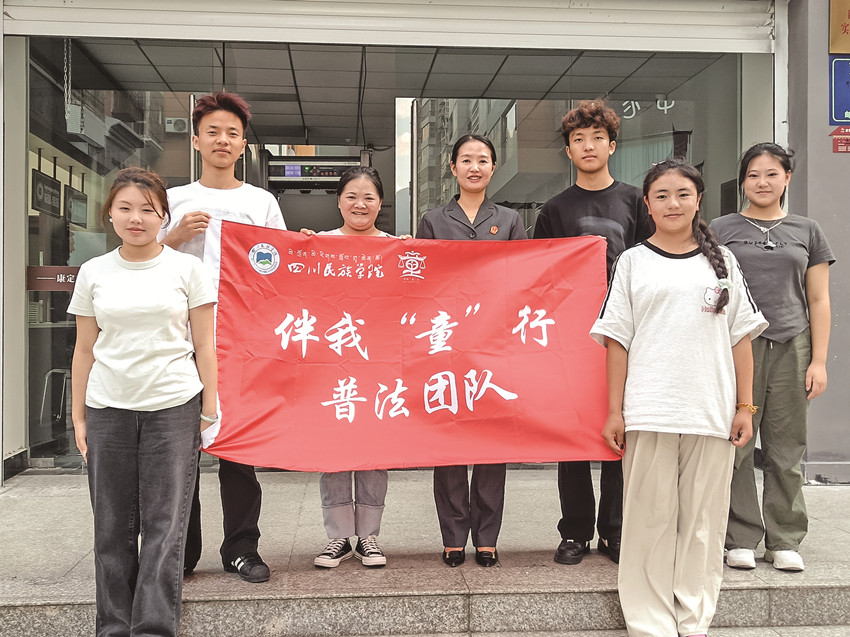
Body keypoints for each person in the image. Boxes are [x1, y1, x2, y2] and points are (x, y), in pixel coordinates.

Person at [592, 159, 766, 637]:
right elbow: (617, 340)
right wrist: (614, 411)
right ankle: (650, 622)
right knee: (648, 521)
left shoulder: (724, 261)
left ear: (698, 200)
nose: (673, 203)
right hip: (649, 409)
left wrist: (745, 406)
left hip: (710, 410)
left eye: (683, 194)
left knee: (702, 523)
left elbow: (741, 338)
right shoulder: (632, 262)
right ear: (647, 205)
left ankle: (693, 618)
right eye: (662, 195)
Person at [69, 167, 217, 637]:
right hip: (108, 407)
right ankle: (114, 626)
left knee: (164, 524)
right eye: (125, 208)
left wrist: (210, 408)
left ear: (163, 217)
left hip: (173, 405)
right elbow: (84, 349)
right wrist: (78, 416)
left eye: (148, 210)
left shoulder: (187, 269)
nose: (136, 218)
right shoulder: (94, 272)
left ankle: (153, 627)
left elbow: (205, 344)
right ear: (110, 214)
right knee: (111, 527)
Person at [159, 91, 287, 583]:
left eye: (232, 133)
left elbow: (279, 265)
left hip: (241, 340)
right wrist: (172, 238)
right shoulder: (172, 200)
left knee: (238, 449)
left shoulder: (260, 202)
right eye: (212, 131)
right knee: (181, 448)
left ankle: (241, 548)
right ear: (195, 141)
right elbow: (141, 258)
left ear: (242, 145)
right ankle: (181, 552)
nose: (222, 140)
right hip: (180, 339)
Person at [533, 99, 651, 566]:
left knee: (620, 430)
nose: (588, 146)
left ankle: (615, 531)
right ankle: (576, 531)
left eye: (597, 138)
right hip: (571, 335)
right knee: (574, 437)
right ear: (568, 151)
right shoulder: (554, 209)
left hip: (625, 333)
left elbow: (650, 263)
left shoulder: (635, 202)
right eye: (578, 139)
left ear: (612, 145)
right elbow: (539, 274)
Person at [711, 143, 834, 572]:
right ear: (742, 181)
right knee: (738, 444)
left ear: (787, 178)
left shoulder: (808, 230)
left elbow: (818, 299)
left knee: (786, 447)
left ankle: (785, 538)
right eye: (753, 175)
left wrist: (818, 360)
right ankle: (740, 537)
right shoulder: (720, 228)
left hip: (792, 344)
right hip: (737, 344)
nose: (761, 182)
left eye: (771, 174)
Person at [416, 134, 527, 568]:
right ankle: (452, 535)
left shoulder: (510, 220)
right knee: (449, 441)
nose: (474, 167)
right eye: (466, 160)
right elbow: (421, 278)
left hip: (493, 344)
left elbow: (523, 276)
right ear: (453, 167)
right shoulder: (432, 220)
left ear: (493, 168)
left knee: (490, 443)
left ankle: (486, 536)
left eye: (483, 160)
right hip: (446, 344)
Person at [300, 166, 395, 568]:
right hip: (331, 365)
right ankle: (338, 536)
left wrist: (416, 256)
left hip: (378, 367)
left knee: (374, 451)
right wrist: (297, 250)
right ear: (338, 201)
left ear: (380, 203)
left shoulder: (395, 248)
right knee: (334, 451)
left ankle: (369, 536)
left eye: (369, 197)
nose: (360, 204)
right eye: (352, 196)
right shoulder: (320, 244)